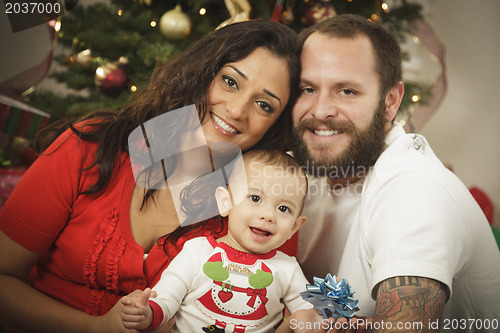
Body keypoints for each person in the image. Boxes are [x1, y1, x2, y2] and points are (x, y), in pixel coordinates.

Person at [0, 20, 301, 333]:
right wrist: (97, 328)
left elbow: (289, 318)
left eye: (264, 104)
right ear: (202, 74)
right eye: (230, 81)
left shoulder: (269, 207)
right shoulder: (90, 148)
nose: (238, 110)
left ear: (275, 127)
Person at [291, 14, 500, 332]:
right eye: (307, 88)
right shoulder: (300, 171)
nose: (321, 111)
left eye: (346, 91)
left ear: (390, 102)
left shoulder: (415, 190)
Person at [120, 149, 328, 333]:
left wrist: (317, 320)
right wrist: (147, 313)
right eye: (255, 198)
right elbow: (166, 299)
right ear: (225, 202)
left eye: (283, 209)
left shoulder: (287, 268)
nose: (268, 215)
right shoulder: (196, 252)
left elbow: (308, 312)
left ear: (294, 227)